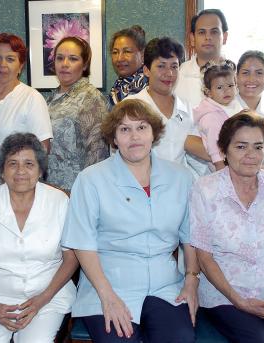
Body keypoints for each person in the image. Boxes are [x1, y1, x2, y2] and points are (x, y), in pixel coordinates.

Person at [62, 99, 199, 343]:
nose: (134, 136)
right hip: (108, 282)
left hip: (165, 285)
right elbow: (82, 243)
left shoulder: (181, 177)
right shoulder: (91, 179)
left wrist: (191, 280)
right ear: (114, 138)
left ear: (154, 133)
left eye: (141, 127)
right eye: (124, 129)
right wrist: (107, 296)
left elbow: (191, 237)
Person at [190, 110, 264, 343]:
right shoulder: (205, 189)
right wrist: (239, 300)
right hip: (225, 298)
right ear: (224, 150)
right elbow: (204, 257)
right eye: (241, 147)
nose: (251, 155)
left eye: (258, 146)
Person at [0, 133, 77, 342]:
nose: (21, 171)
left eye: (29, 164)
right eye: (12, 163)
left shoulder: (59, 202)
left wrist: (41, 300)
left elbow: (71, 258)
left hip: (48, 297)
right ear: (2, 171)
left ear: (40, 170)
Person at [0, 33, 52, 184]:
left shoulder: (31, 98)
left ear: (20, 66)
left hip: (16, 188)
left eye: (10, 59)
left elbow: (42, 150)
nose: (2, 64)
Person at [126, 37, 210, 173]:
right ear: (146, 70)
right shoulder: (130, 107)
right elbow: (118, 156)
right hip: (142, 187)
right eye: (161, 66)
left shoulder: (187, 109)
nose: (169, 73)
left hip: (179, 188)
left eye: (174, 66)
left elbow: (197, 160)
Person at [47, 36, 109, 191]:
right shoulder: (49, 99)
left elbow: (98, 154)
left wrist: (85, 195)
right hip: (47, 192)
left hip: (75, 191)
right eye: (60, 58)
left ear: (84, 64)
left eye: (73, 59)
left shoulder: (91, 98)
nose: (65, 64)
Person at [194, 59, 242, 171]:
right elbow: (214, 148)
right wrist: (222, 170)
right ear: (209, 92)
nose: (226, 91)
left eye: (230, 85)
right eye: (220, 87)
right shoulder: (211, 117)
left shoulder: (233, 106)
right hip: (221, 166)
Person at [175, 9, 228, 108]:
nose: (208, 37)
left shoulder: (237, 75)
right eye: (202, 32)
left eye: (214, 32)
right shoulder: (178, 74)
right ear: (192, 39)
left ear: (224, 37)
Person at [108, 25, 148, 107]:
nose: (119, 58)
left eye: (127, 52)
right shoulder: (122, 83)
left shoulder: (141, 86)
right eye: (115, 52)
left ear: (142, 55)